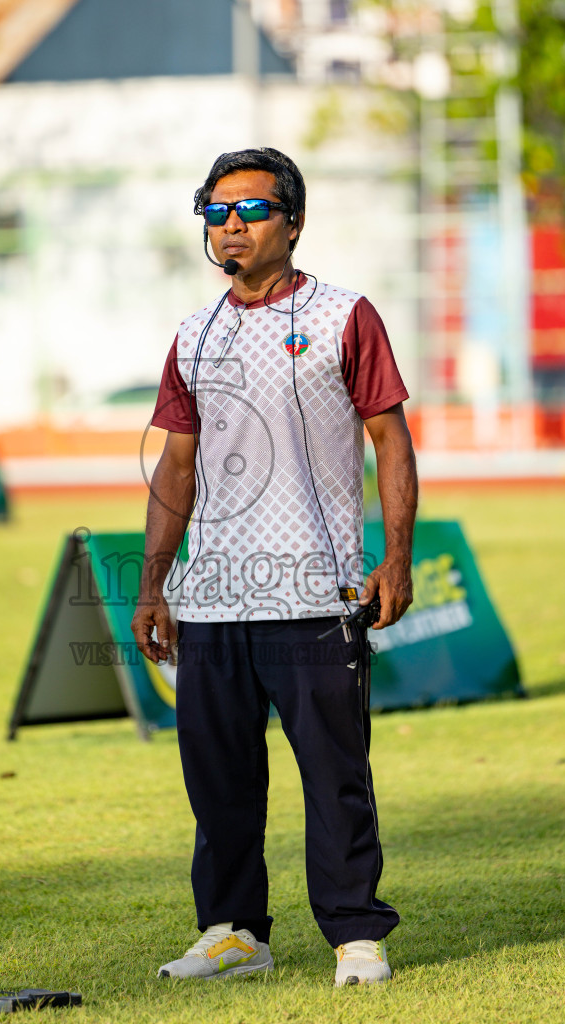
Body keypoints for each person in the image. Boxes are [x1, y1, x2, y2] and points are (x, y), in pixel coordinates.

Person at [130, 147, 418, 987]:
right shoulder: (192, 332)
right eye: (215, 211)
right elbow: (175, 468)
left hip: (314, 592)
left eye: (250, 210)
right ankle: (232, 933)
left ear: (292, 219)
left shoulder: (344, 316)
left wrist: (394, 558)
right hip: (214, 597)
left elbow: (390, 441)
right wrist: (153, 586)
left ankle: (356, 936)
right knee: (217, 781)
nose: (230, 226)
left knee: (333, 776)